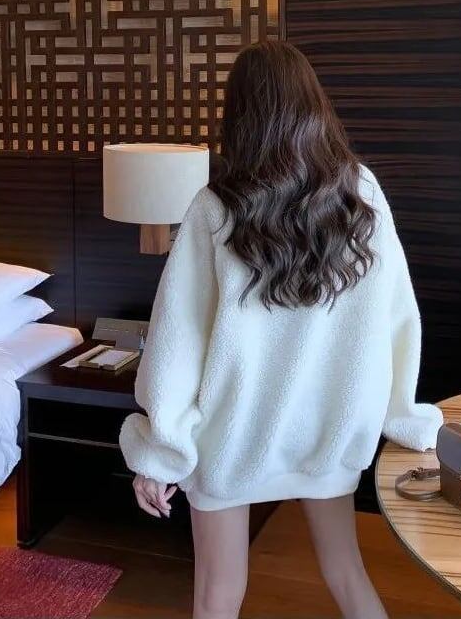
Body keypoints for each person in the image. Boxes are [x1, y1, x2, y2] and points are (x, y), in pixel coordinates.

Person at [119, 40, 442, 619]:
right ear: (313, 106)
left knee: (217, 594)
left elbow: (177, 343)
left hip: (230, 440)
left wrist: (160, 453)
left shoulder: (215, 207)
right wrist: (401, 415)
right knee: (347, 574)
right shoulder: (360, 194)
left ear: (239, 115)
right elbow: (398, 317)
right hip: (329, 432)